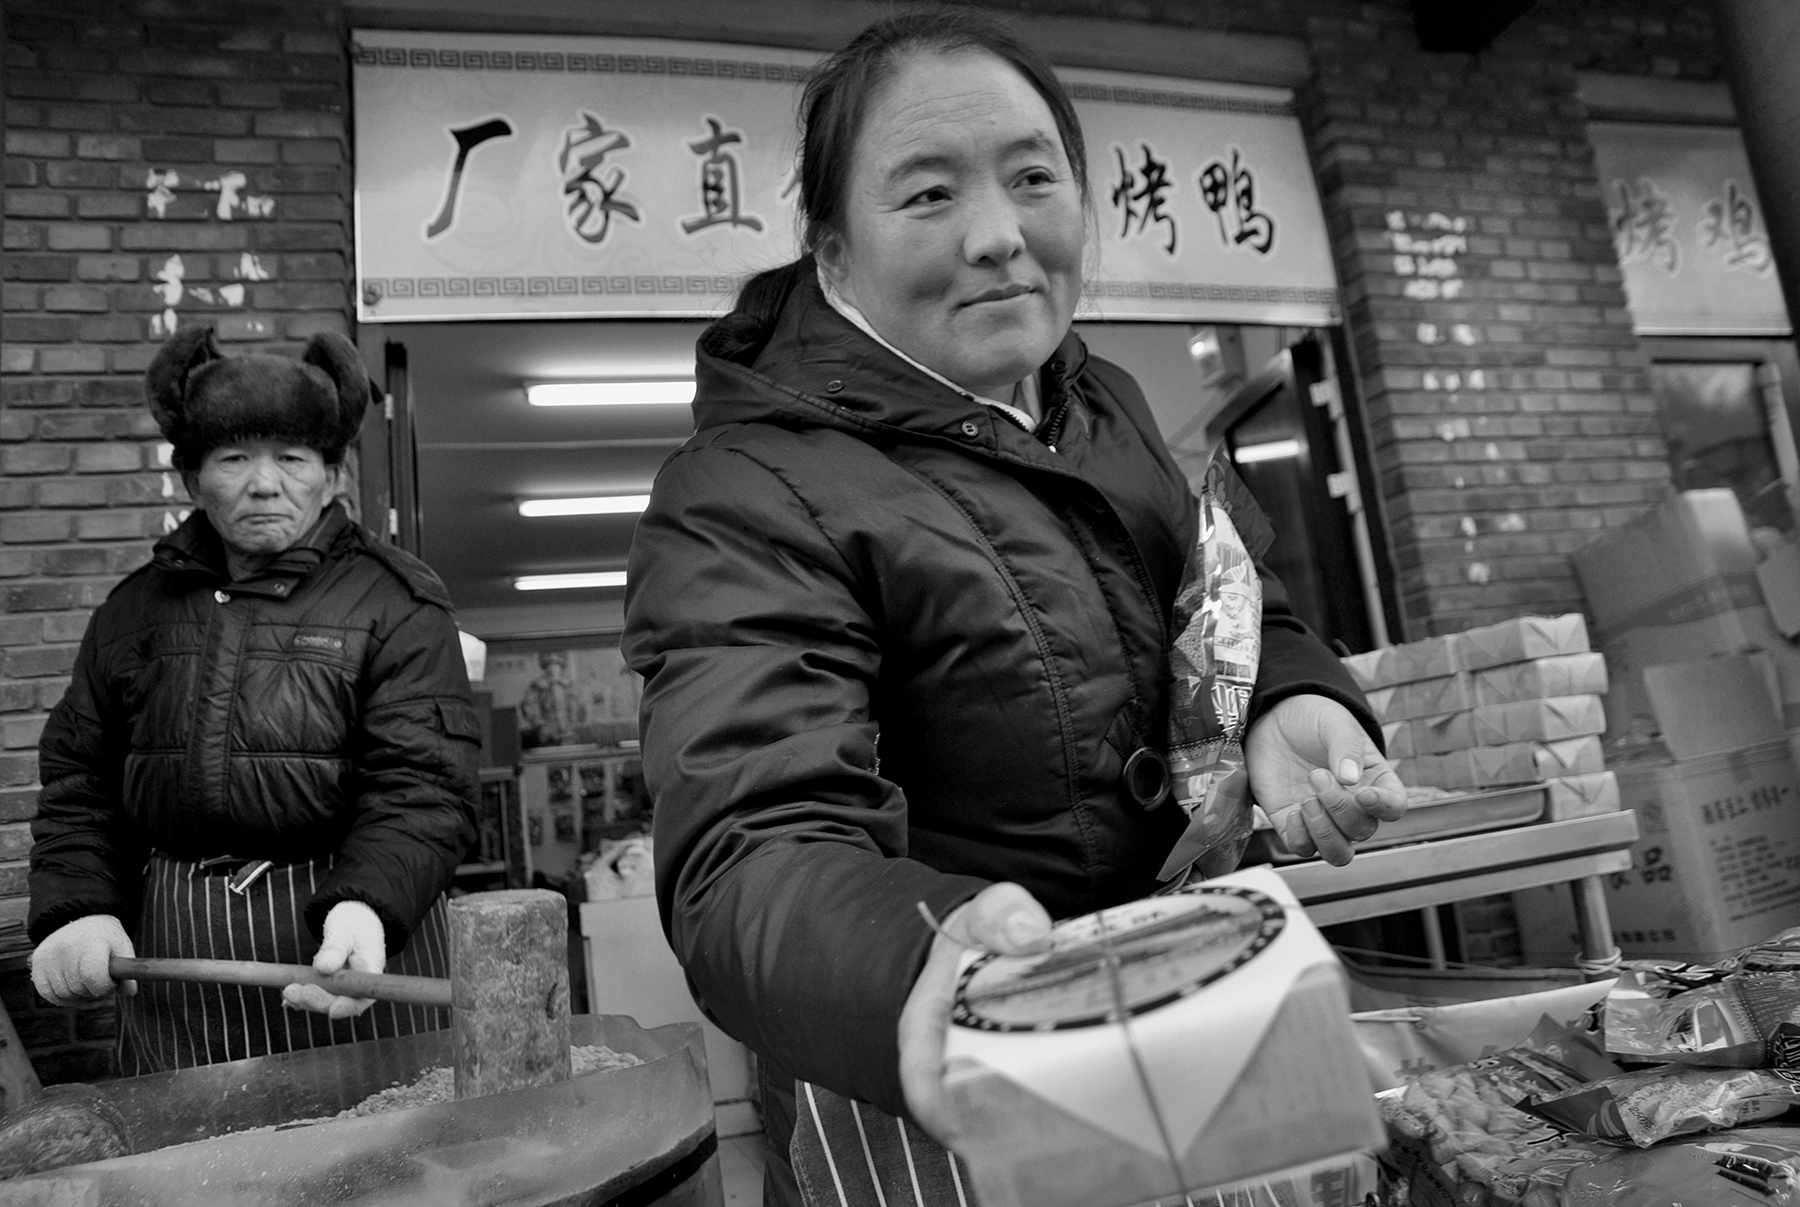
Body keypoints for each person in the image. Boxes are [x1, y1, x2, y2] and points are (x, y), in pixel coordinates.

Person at [621, 12, 1405, 1204]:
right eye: (929, 196)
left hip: (1177, 1014)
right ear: (832, 250)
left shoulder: (1104, 403)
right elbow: (748, 843)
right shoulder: (742, 490)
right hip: (942, 1071)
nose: (998, 236)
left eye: (1034, 176)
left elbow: (1234, 603)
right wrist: (912, 961)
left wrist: (1288, 698)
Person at [28, 326, 480, 1073]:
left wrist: (367, 906)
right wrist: (79, 909)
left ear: (332, 475)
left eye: (293, 459)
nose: (264, 482)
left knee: (390, 1154)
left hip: (348, 940)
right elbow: (80, 782)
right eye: (234, 458)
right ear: (191, 478)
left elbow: (426, 785)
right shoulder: (133, 612)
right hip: (181, 956)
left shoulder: (398, 602)